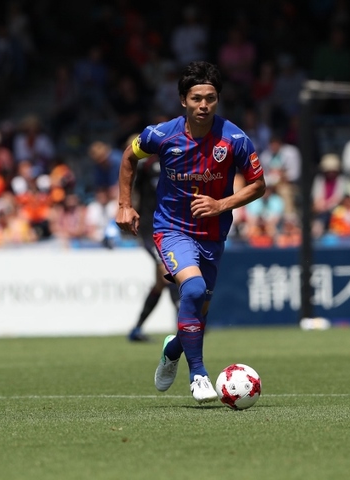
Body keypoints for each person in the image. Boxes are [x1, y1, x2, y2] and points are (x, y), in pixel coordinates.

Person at [116, 61, 266, 404]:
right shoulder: (161, 135)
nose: (203, 105)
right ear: (184, 100)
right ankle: (198, 375)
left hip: (212, 234)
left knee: (199, 311)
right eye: (197, 98)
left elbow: (258, 185)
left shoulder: (235, 139)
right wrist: (125, 204)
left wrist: (221, 204)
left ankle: (173, 349)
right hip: (171, 228)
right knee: (194, 289)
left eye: (210, 98)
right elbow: (129, 157)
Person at [126, 150, 180, 342]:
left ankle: (136, 329)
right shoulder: (146, 166)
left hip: (168, 227)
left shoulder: (176, 161)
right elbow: (132, 188)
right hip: (149, 228)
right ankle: (185, 325)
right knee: (169, 272)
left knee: (160, 282)